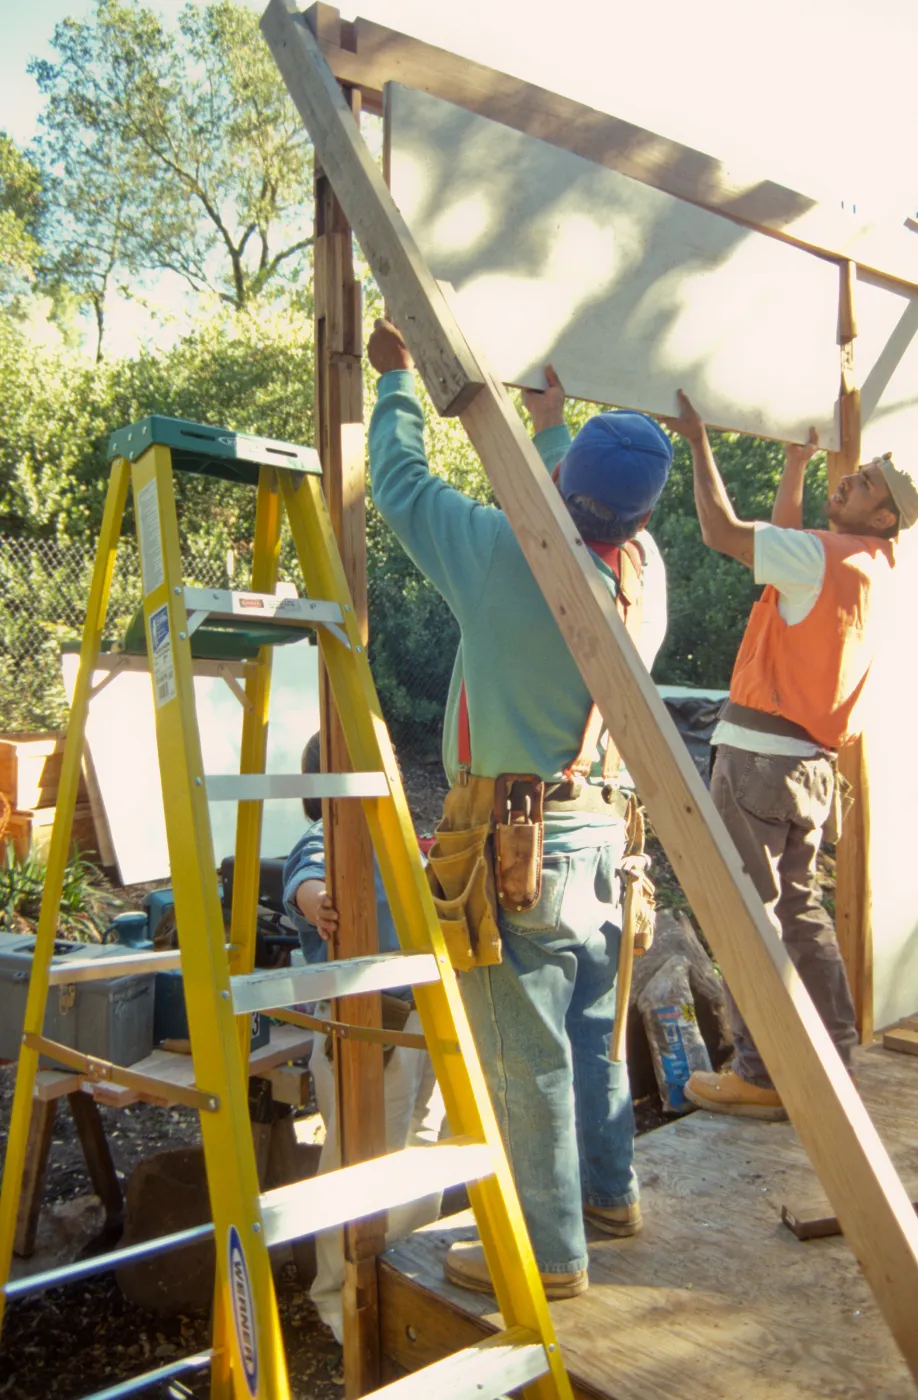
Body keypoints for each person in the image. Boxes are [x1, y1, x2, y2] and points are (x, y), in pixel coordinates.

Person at [366, 318, 672, 1300]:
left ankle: (549, 1255)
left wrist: (396, 384)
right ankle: (610, 1197)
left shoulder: (507, 556)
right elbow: (579, 505)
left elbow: (404, 488)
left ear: (565, 483)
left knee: (526, 1059)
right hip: (601, 833)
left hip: (516, 842)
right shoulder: (644, 572)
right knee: (592, 1031)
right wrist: (549, 434)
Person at [662, 391, 918, 1120]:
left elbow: (721, 532)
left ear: (884, 517)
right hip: (805, 768)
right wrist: (795, 467)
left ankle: (762, 1073)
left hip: (758, 764)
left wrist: (698, 442)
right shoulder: (864, 566)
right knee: (799, 915)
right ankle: (833, 1060)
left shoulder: (823, 557)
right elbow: (783, 559)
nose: (852, 480)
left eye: (863, 483)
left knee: (749, 917)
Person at [282, 734, 446, 1341]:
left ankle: (407, 1277)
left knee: (421, 1146)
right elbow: (306, 881)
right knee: (358, 1156)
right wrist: (320, 901)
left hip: (419, 1013)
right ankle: (339, 1295)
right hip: (366, 1022)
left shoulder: (393, 837)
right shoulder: (325, 839)